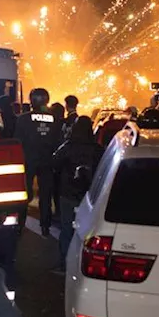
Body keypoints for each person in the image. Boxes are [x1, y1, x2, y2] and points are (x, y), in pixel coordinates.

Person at [51, 116, 103, 273]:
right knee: (89, 231)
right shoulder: (97, 150)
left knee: (67, 229)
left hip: (68, 193)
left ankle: (65, 264)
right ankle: (84, 265)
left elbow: (54, 163)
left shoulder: (67, 147)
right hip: (90, 196)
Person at [14, 88, 61, 238]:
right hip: (47, 161)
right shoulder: (55, 119)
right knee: (45, 195)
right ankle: (45, 227)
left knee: (23, 193)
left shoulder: (23, 119)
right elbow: (59, 142)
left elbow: (17, 141)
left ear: (31, 100)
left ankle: (20, 224)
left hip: (27, 160)